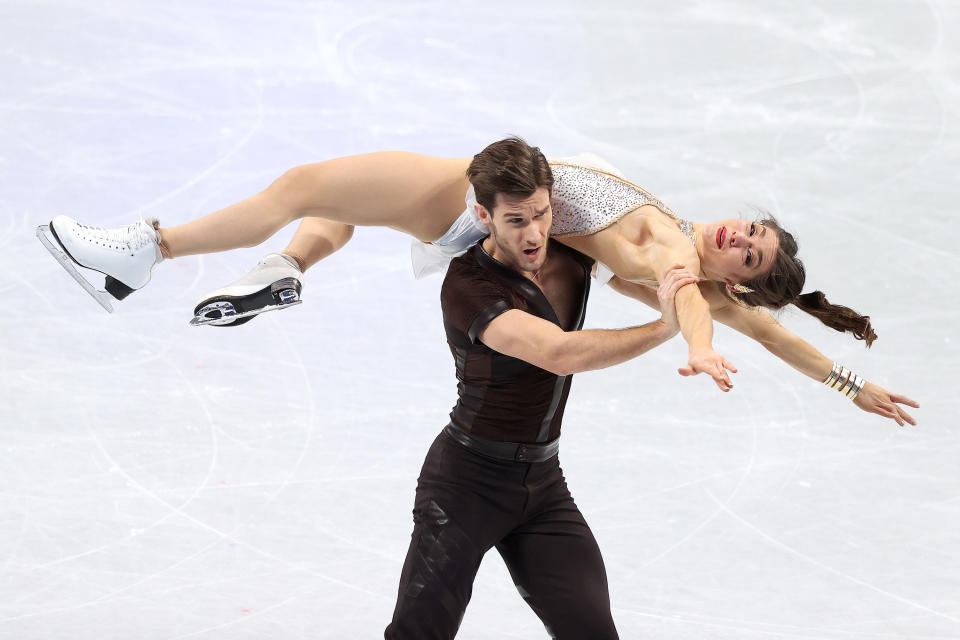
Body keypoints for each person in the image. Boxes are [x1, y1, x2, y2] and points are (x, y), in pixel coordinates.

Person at [37, 138, 918, 423]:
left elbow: (693, 306)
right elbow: (780, 334)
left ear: (733, 277)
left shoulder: (674, 259)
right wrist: (853, 383)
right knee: (336, 212)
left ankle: (142, 252)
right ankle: (284, 267)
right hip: (502, 210)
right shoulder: (699, 250)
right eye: (753, 229)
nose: (739, 234)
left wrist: (696, 345)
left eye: (749, 255)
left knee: (304, 185)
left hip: (487, 201)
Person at [385, 141, 696, 638]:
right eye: (516, 221)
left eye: (542, 214)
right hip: (465, 483)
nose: (534, 234)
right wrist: (664, 329)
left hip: (542, 485)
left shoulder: (572, 251)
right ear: (483, 214)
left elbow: (653, 276)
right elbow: (557, 352)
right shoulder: (468, 286)